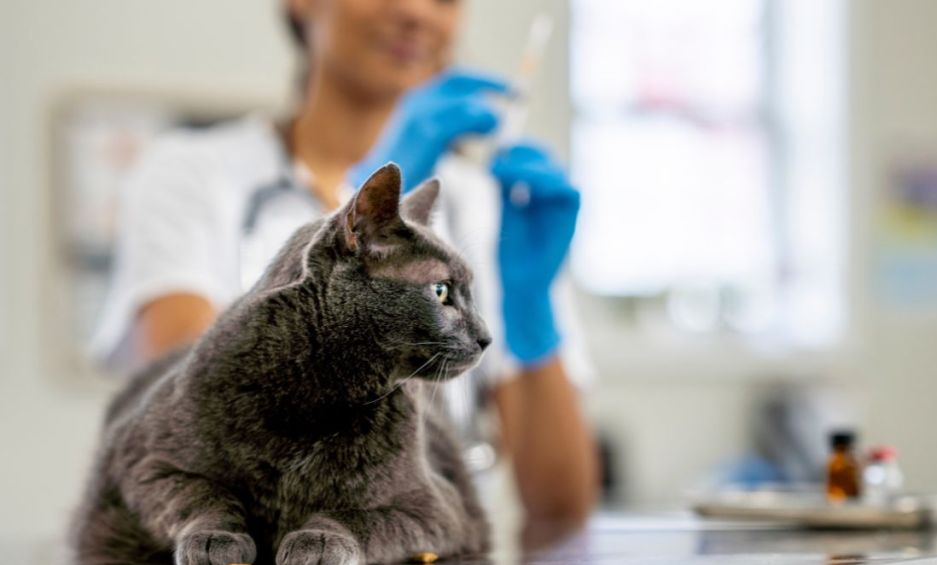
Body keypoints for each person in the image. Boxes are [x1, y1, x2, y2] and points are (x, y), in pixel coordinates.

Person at [93, 0, 598, 530]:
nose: (416, 12)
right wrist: (360, 224)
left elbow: (559, 509)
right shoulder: (192, 176)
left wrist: (529, 309)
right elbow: (190, 423)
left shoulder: (488, 205)